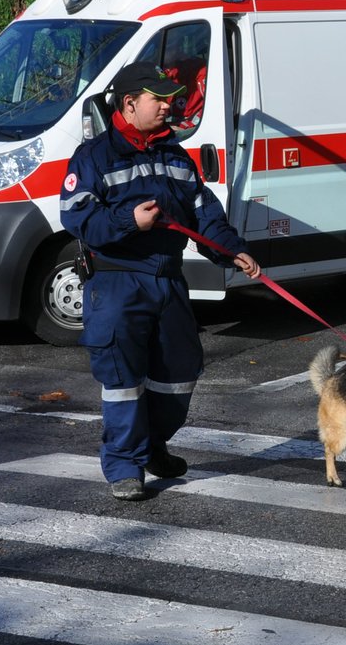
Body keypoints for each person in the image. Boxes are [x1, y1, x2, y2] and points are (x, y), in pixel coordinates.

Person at [60, 60, 259, 500]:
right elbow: (78, 219)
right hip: (116, 284)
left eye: (170, 99)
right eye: (159, 99)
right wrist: (129, 219)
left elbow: (205, 214)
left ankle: (152, 445)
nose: (170, 106)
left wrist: (232, 249)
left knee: (179, 373)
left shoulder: (175, 155)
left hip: (168, 282)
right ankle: (125, 467)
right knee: (123, 382)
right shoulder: (93, 157)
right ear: (129, 104)